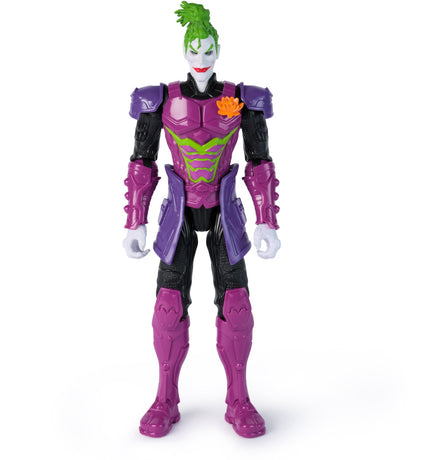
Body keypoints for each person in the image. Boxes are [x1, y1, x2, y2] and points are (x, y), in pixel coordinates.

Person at [122, 1, 280, 438]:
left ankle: (239, 399)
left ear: (218, 50)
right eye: (194, 49)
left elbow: (260, 160)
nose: (202, 57)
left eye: (208, 48)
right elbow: (141, 161)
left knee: (237, 303)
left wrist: (266, 220)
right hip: (179, 212)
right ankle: (165, 399)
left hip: (225, 211)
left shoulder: (241, 99)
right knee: (168, 305)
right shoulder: (160, 100)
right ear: (184, 50)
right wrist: (136, 221)